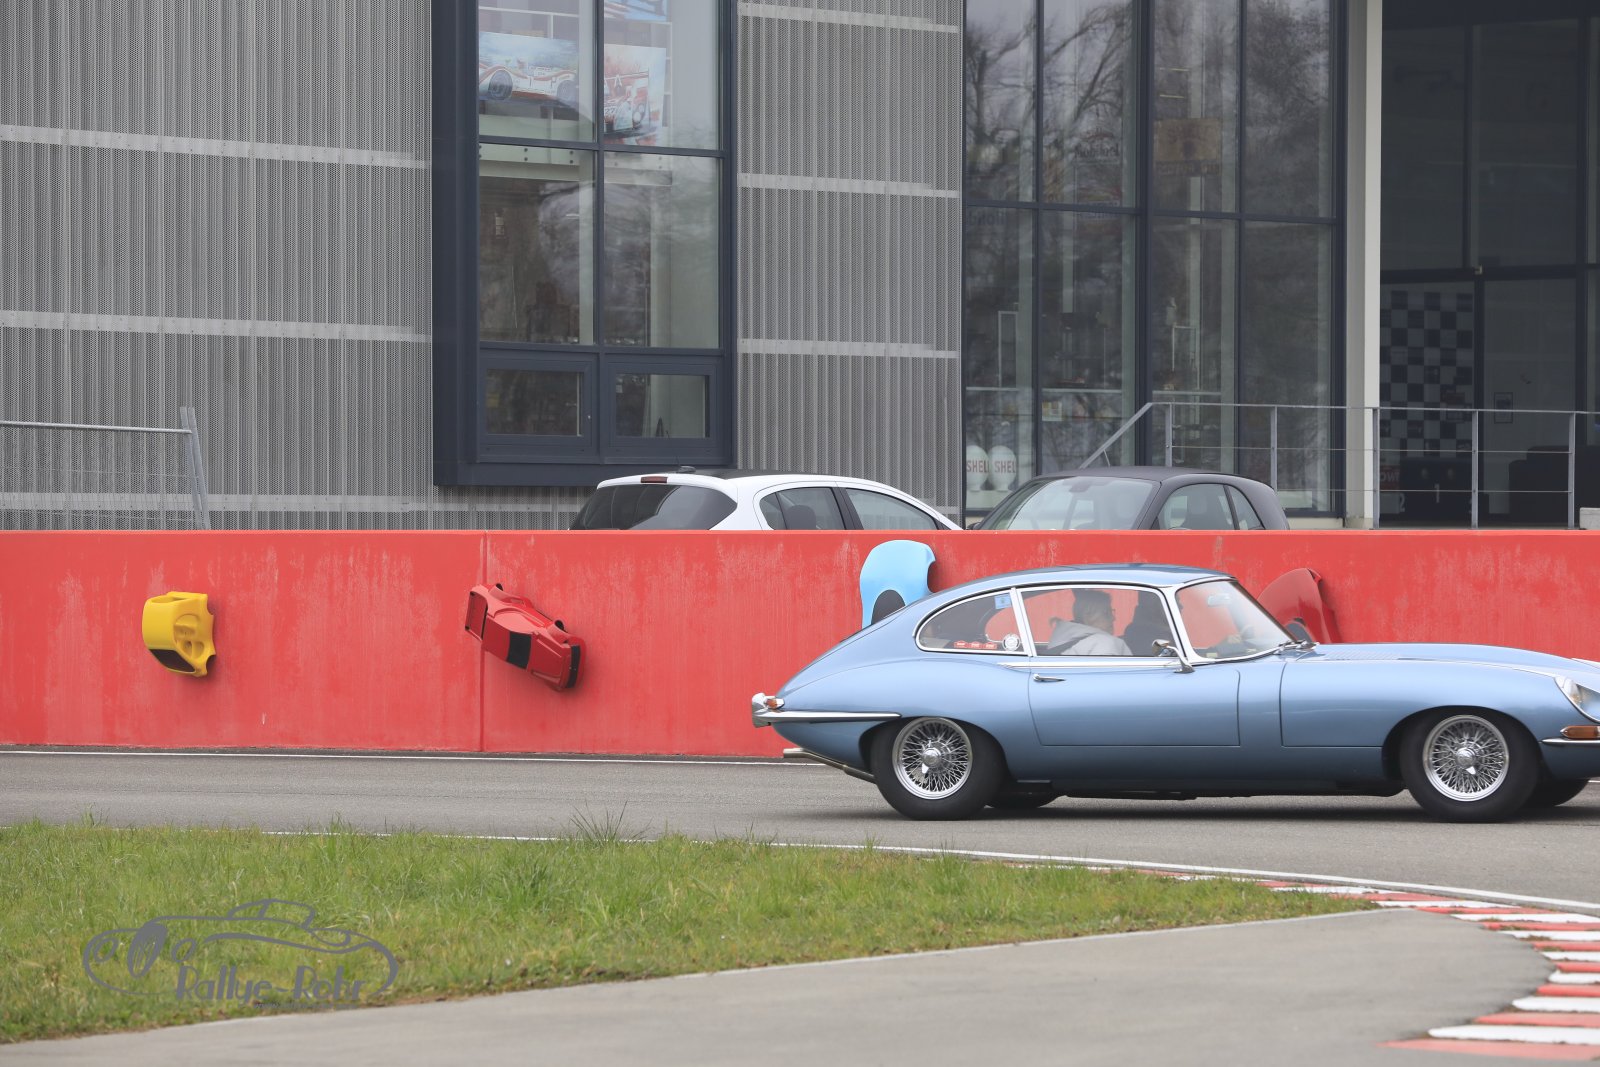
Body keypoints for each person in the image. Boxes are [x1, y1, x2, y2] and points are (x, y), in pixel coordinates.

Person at [1046, 589, 1131, 656]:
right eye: (1106, 613)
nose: (1113, 618)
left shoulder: (1061, 642)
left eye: (1111, 612)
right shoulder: (1104, 643)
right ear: (1088, 617)